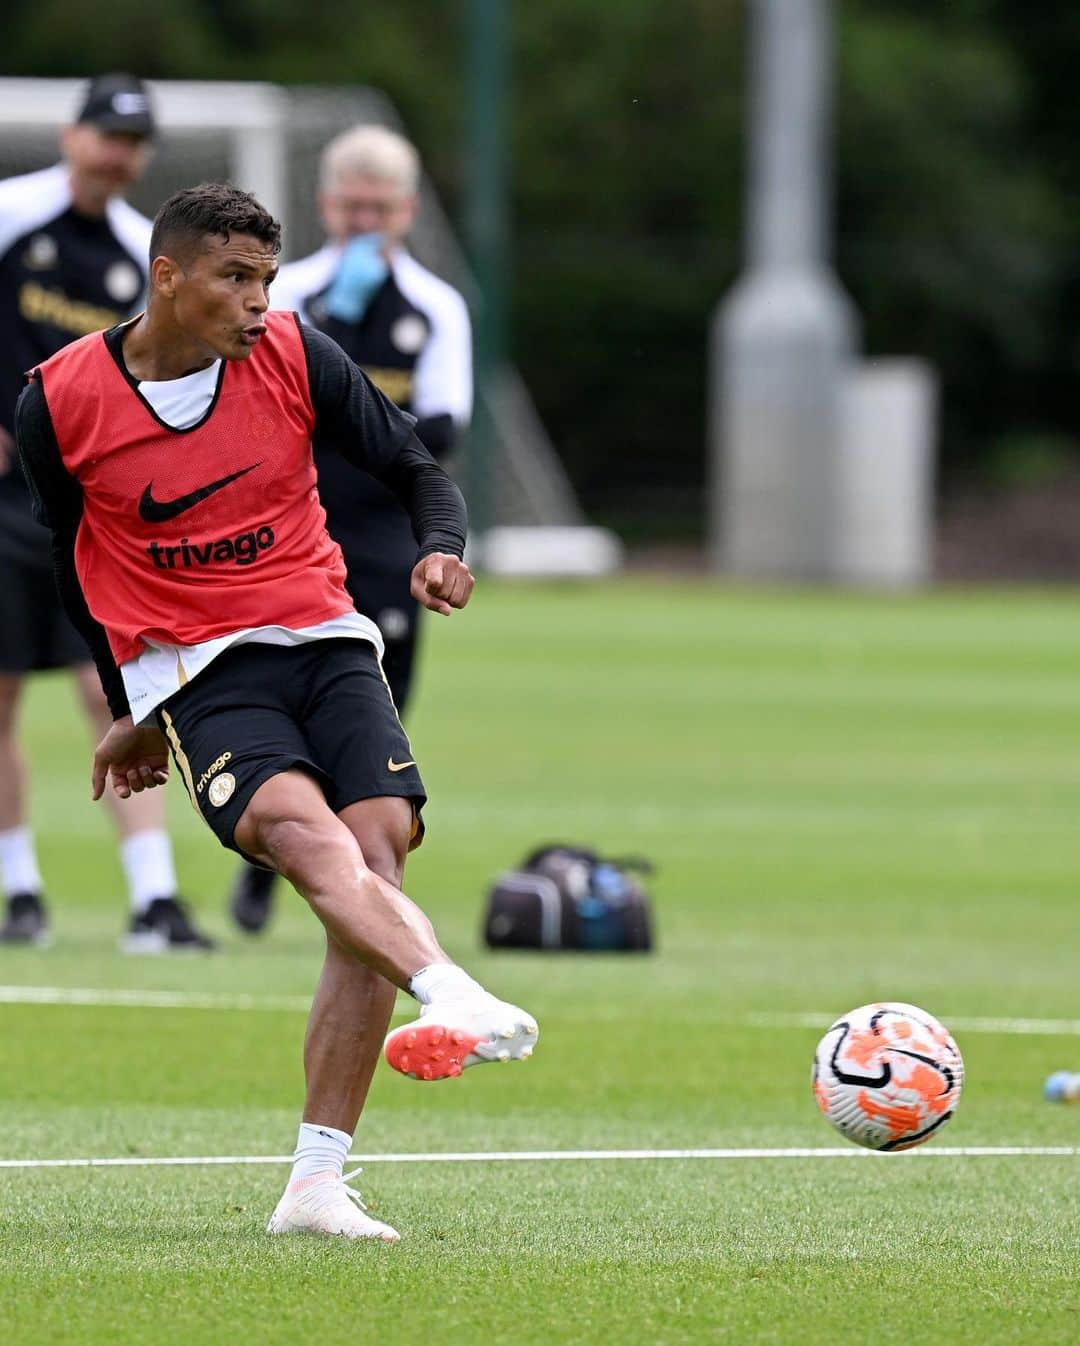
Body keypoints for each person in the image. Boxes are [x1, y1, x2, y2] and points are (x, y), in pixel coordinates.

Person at [16, 183, 538, 1241]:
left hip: (329, 638)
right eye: (235, 279)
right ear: (168, 277)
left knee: (375, 855)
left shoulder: (300, 354)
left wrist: (444, 546)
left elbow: (414, 467)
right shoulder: (58, 399)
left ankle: (314, 1184)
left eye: (266, 278)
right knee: (309, 844)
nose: (260, 302)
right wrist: (129, 704)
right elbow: (78, 567)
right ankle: (451, 989)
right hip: (204, 674)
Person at [227, 123, 472, 936]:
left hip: (383, 537)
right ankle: (269, 866)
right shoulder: (287, 292)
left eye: (382, 206)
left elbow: (442, 428)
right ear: (328, 204)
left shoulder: (436, 307)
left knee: (378, 706)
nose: (366, 219)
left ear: (406, 210)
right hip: (291, 535)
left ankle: (362, 875)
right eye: (352, 204)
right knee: (281, 695)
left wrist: (356, 419)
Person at [0, 72, 212, 951]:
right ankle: (20, 893)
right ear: (71, 134)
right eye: (106, 136)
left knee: (117, 691)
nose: (117, 155)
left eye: (133, 142)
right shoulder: (11, 216)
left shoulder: (140, 252)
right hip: (4, 499)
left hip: (99, 511)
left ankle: (153, 900)